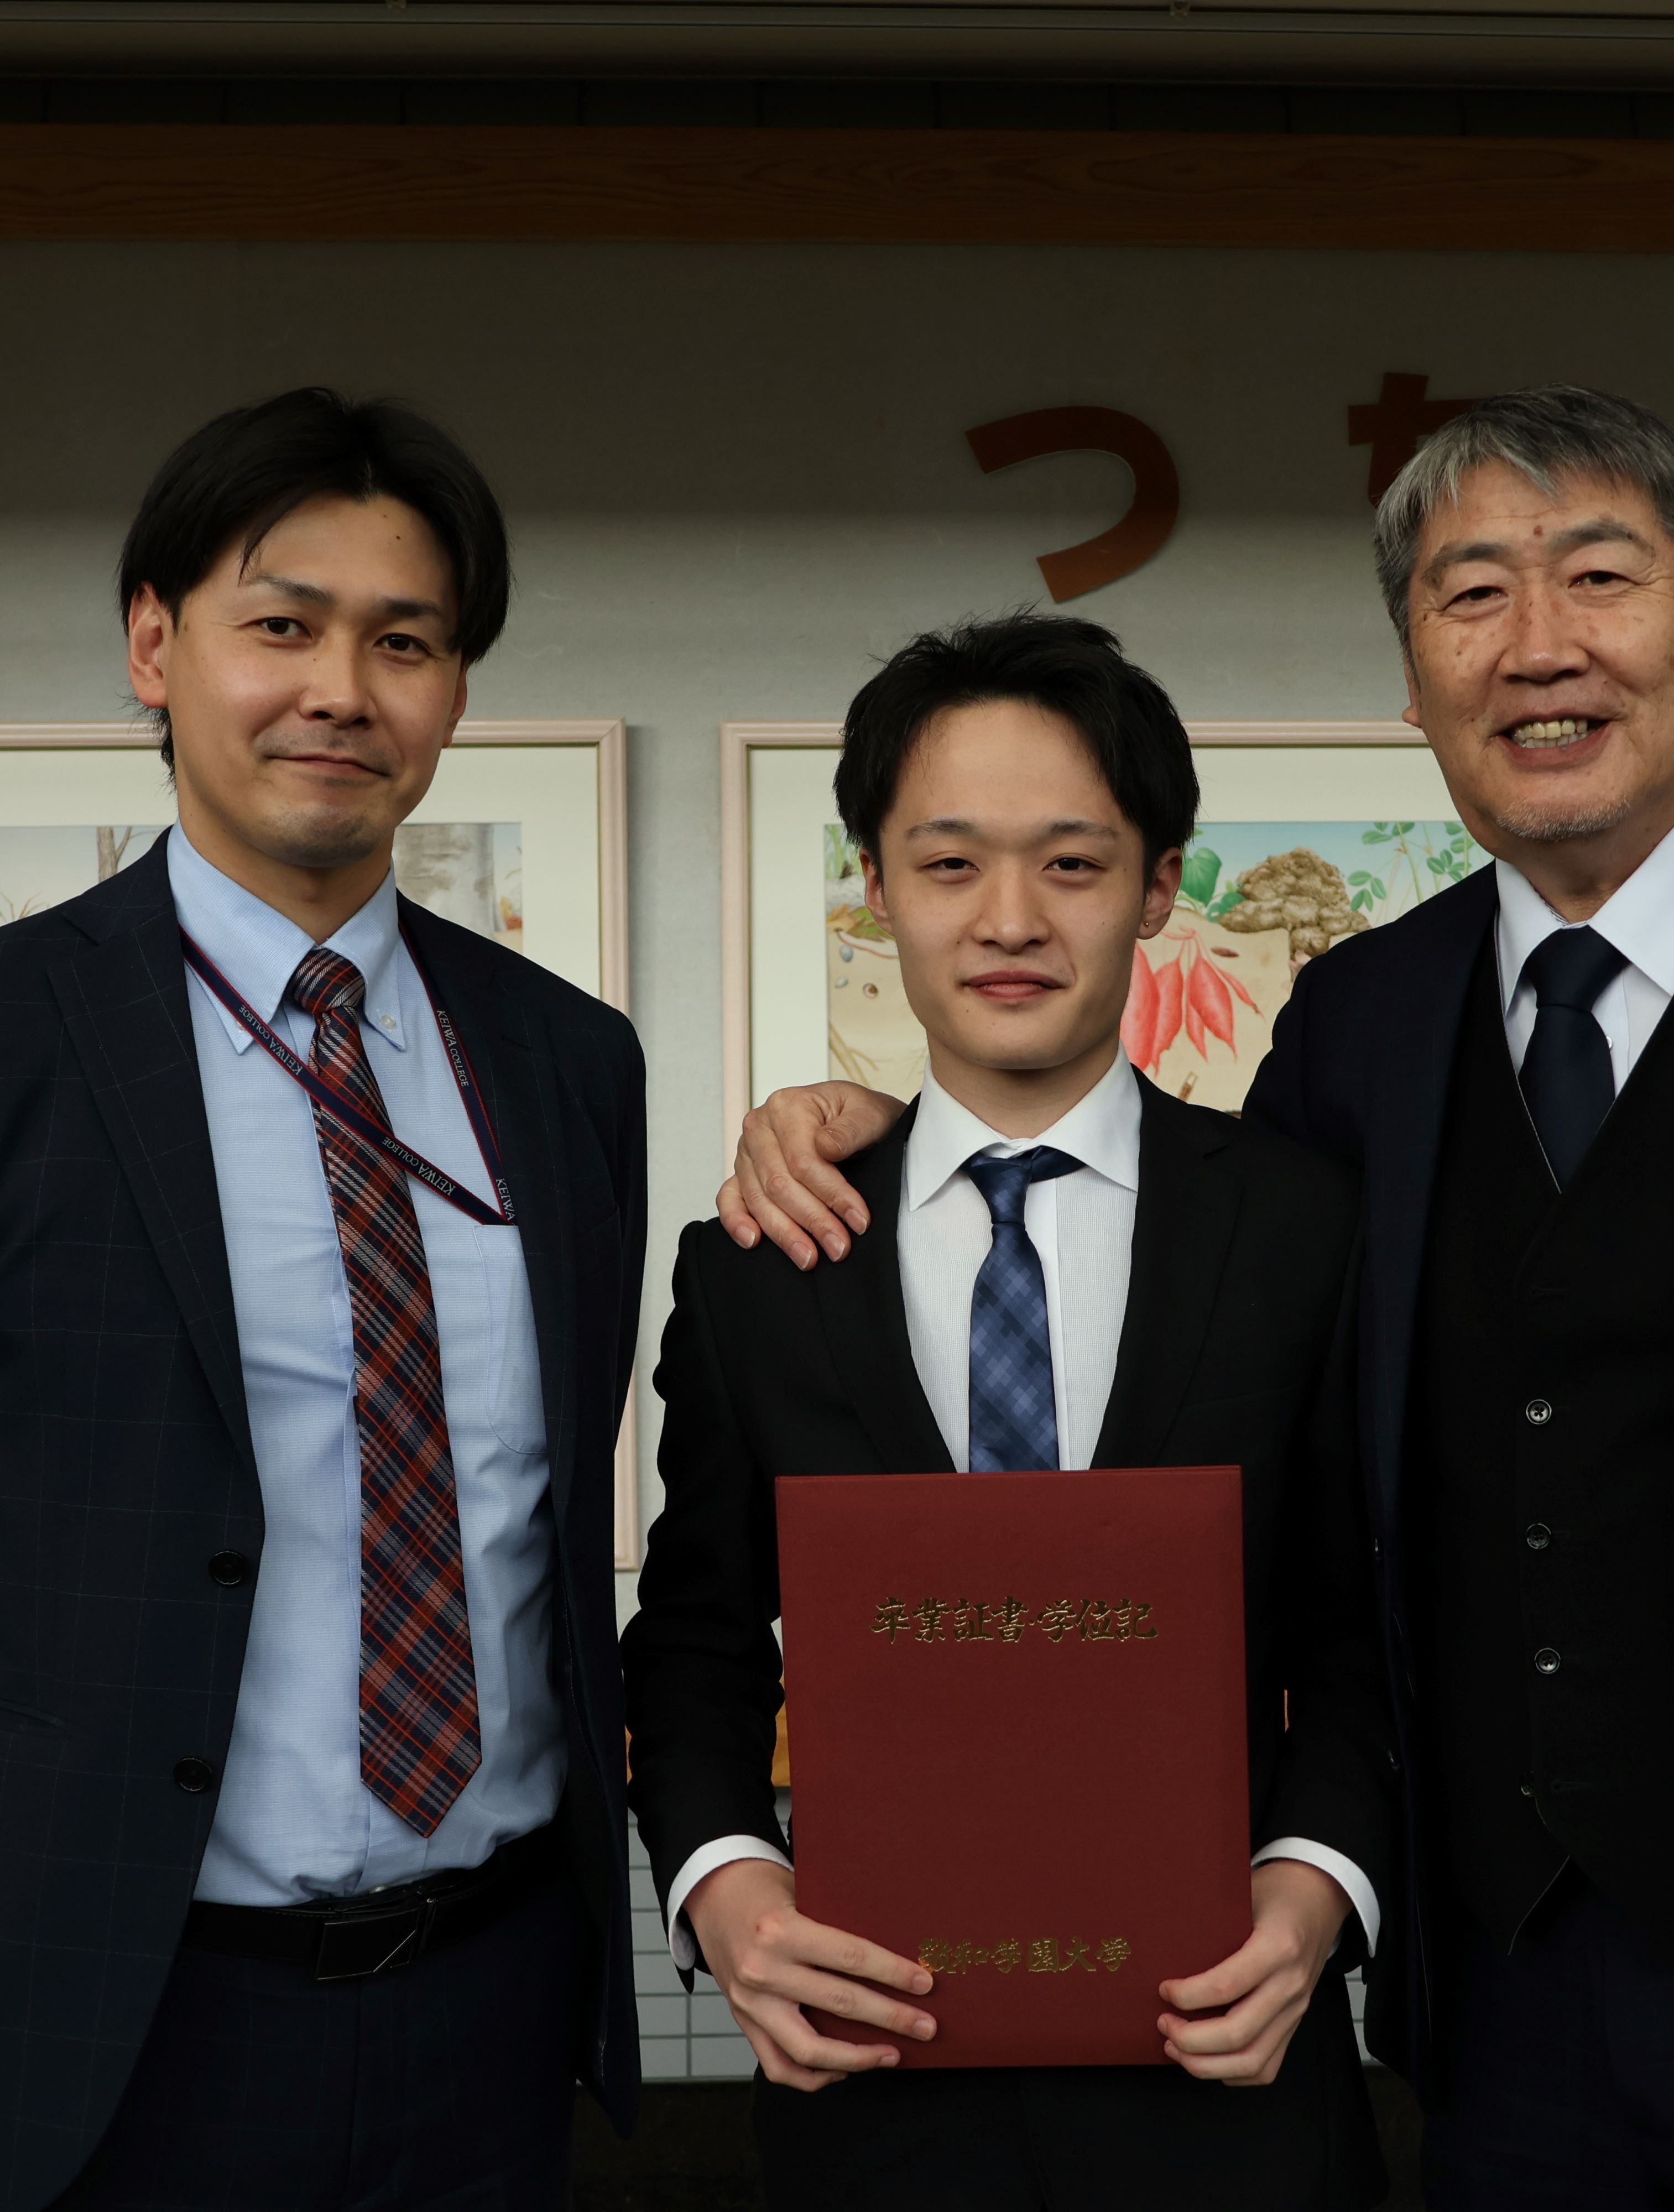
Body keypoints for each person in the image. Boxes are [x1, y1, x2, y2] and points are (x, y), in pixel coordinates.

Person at [718, 389, 1674, 2212]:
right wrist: (892, 1138)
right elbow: (1176, 1275)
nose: (1539, 648)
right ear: (1413, 676)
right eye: (1471, 596)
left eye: (1598, 577)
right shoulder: (1362, 1027)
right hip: (1501, 2030)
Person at [0, 387, 645, 2212]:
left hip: (490, 2004)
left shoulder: (565, 1062)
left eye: (404, 642)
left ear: (455, 691)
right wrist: (22, 1831)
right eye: (283, 625)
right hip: (110, 2017)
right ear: (156, 648)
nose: (342, 690)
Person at [625, 614, 1399, 2210]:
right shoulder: (765, 1261)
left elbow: (1366, 1626)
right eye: (949, 863)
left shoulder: (1305, 1229)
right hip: (868, 2092)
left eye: (1072, 864)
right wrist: (728, 1890)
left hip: (1230, 2089)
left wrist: (1316, 1890)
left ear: (1159, 885)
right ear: (874, 884)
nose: (1010, 920)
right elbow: (697, 1636)